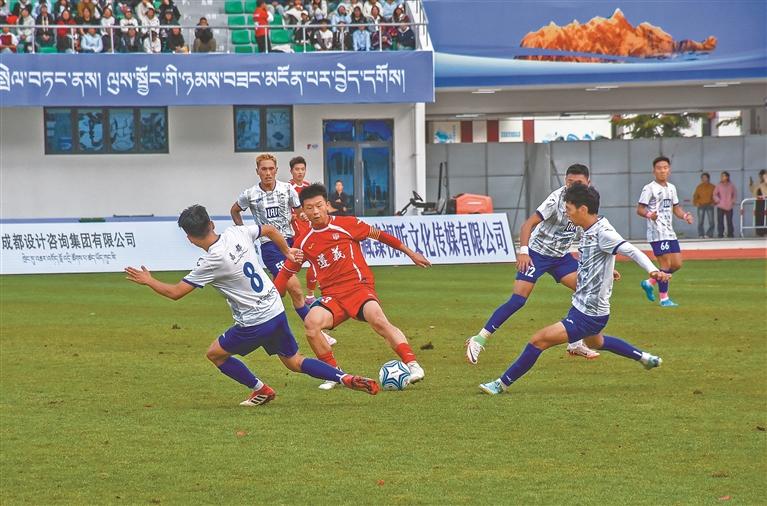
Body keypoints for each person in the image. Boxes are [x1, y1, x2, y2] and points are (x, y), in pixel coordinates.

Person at [124, 205, 380, 406]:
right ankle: (343, 377)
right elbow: (268, 229)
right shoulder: (235, 232)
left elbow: (175, 293)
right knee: (293, 360)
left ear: (190, 238)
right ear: (212, 224)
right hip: (275, 308)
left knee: (215, 354)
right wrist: (287, 252)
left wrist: (148, 280)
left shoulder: (210, 262)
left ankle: (261, 390)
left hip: (254, 322)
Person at [479, 184, 667, 395]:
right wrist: (605, 270)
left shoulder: (604, 233)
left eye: (569, 209)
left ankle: (501, 384)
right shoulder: (587, 228)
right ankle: (645, 358)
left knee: (538, 340)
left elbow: (631, 250)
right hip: (582, 307)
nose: (566, 214)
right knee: (597, 342)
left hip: (589, 314)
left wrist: (652, 270)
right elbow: (594, 259)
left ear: (583, 209)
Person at [273, 183, 431, 390]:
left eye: (319, 205)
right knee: (311, 324)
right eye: (309, 208)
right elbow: (286, 271)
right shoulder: (303, 242)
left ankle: (413, 365)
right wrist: (272, 296)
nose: (315, 211)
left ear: (327, 205)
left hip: (358, 287)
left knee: (378, 319)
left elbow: (380, 235)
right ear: (303, 211)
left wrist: (410, 253)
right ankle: (334, 373)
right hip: (333, 296)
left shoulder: (348, 224)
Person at [465, 164, 602, 364]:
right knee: (518, 300)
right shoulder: (556, 199)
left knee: (586, 290)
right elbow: (527, 224)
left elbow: (588, 233)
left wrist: (598, 264)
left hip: (561, 257)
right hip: (537, 254)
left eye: (578, 183)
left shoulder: (587, 202)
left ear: (588, 183)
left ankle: (575, 342)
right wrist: (524, 252)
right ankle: (478, 339)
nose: (572, 186)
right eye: (569, 182)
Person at [230, 154, 336, 348]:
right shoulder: (250, 194)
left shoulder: (287, 190)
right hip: (270, 247)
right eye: (264, 169)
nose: (268, 173)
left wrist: (303, 217)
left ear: (276, 170)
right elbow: (235, 210)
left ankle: (258, 312)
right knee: (296, 290)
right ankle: (318, 331)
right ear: (257, 171)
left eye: (271, 169)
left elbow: (299, 212)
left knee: (279, 292)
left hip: (290, 242)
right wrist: (244, 232)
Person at [636, 156, 693, 307]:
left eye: (665, 168)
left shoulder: (672, 188)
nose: (662, 170)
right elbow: (640, 209)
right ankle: (664, 299)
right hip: (657, 232)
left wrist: (685, 216)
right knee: (666, 264)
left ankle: (650, 282)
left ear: (669, 170)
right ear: (654, 171)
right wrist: (650, 215)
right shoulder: (649, 188)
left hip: (669, 232)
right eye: (659, 168)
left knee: (677, 264)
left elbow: (676, 208)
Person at [287, 156, 320, 304]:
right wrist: (292, 216)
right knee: (289, 265)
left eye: (302, 169)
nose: (300, 172)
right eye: (297, 169)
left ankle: (310, 295)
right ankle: (276, 289)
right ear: (291, 171)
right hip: (294, 233)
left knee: (316, 260)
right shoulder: (286, 188)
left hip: (310, 231)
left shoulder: (308, 187)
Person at [714, 171, 737, 238]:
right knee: (720, 221)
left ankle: (730, 234)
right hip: (720, 206)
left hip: (729, 206)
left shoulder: (731, 185)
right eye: (721, 176)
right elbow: (714, 194)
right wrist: (717, 200)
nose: (722, 177)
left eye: (723, 176)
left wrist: (732, 201)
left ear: (727, 177)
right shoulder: (719, 185)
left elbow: (735, 194)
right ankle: (720, 234)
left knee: (729, 221)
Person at [692, 172, 715, 238]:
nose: (704, 179)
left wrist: (714, 202)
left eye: (705, 177)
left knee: (711, 221)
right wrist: (696, 202)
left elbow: (716, 196)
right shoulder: (699, 187)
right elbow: (695, 196)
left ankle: (709, 234)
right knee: (700, 221)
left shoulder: (712, 187)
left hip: (709, 205)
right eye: (702, 178)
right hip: (701, 205)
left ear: (708, 178)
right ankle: (701, 234)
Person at [749, 170, 767, 237]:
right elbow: (753, 191)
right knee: (759, 217)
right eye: (760, 176)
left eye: (762, 176)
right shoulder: (758, 183)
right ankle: (759, 233)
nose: (760, 177)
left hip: (765, 202)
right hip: (759, 203)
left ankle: (765, 232)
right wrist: (751, 184)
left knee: (765, 217)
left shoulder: (764, 184)